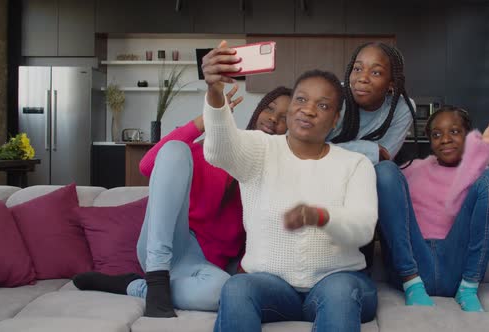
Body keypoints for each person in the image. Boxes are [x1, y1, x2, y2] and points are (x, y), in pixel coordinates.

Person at [202, 41, 378, 332]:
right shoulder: (260, 148)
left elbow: (362, 229)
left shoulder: (355, 164)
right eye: (300, 100)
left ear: (335, 119)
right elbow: (218, 150)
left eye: (322, 105)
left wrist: (319, 216)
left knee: (339, 292)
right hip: (273, 286)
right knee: (236, 287)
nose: (308, 110)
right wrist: (214, 92)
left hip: (339, 280)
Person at [73, 84, 292, 317]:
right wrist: (209, 118)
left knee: (224, 292)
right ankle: (156, 278)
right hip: (167, 245)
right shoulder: (217, 147)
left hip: (201, 270)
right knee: (175, 149)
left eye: (284, 117)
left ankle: (134, 286)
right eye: (269, 108)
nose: (273, 119)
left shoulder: (274, 175)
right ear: (258, 110)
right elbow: (147, 165)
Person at [376, 106, 489, 312]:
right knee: (384, 171)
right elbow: (389, 203)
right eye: (436, 134)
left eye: (455, 132)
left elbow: (462, 191)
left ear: (469, 136)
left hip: (457, 267)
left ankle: (468, 289)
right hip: (412, 265)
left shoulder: (479, 177)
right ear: (430, 141)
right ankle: (412, 285)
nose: (445, 139)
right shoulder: (412, 170)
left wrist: (484, 146)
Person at [329, 41, 415, 165]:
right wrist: (370, 150)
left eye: (376, 72)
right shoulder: (333, 96)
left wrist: (329, 148)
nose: (363, 78)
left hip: (368, 171)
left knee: (387, 171)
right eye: (357, 69)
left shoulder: (401, 107)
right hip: (322, 169)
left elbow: (384, 157)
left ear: (391, 83)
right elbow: (304, 147)